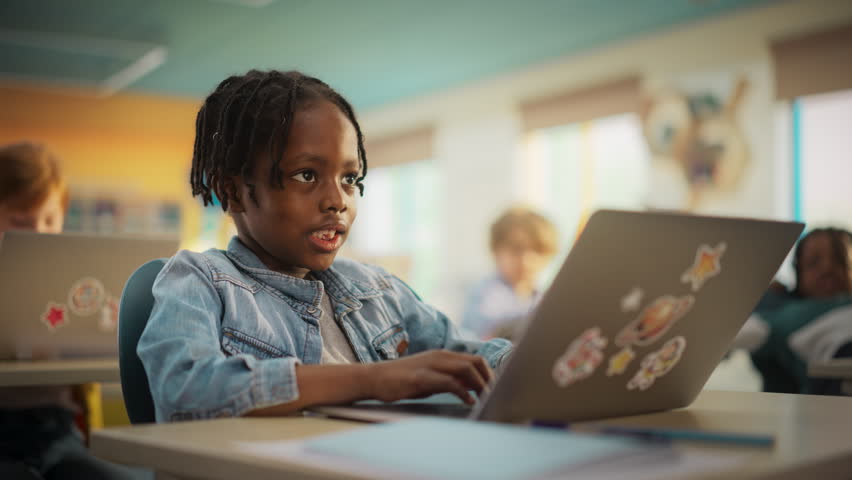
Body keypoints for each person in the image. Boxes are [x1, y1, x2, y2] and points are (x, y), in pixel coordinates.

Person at [138, 70, 512, 422]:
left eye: (350, 178)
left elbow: (468, 355)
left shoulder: (377, 291)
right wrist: (372, 380)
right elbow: (184, 392)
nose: (338, 200)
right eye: (306, 175)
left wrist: (523, 360)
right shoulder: (200, 280)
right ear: (232, 191)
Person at [0, 142, 142, 479]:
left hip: (56, 431)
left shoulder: (72, 281)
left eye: (49, 220)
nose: (38, 234)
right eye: (22, 221)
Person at [735, 227, 852, 394]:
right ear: (798, 272)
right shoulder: (789, 316)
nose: (828, 269)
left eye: (841, 260)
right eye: (813, 262)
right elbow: (744, 332)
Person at [461, 207, 558, 340]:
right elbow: (487, 334)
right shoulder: (485, 293)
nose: (526, 260)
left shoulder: (542, 297)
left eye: (538, 250)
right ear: (495, 250)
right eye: (516, 249)